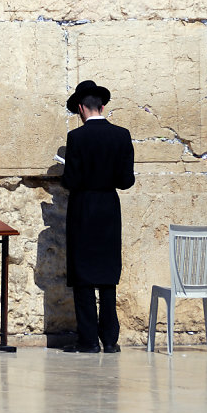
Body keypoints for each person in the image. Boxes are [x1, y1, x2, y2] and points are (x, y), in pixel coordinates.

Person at [61, 81, 135, 354]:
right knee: (107, 274)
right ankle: (110, 340)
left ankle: (88, 340)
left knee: (83, 275)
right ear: (102, 106)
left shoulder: (77, 138)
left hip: (83, 208)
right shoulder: (122, 135)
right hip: (108, 209)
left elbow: (70, 180)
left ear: (81, 108)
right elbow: (126, 181)